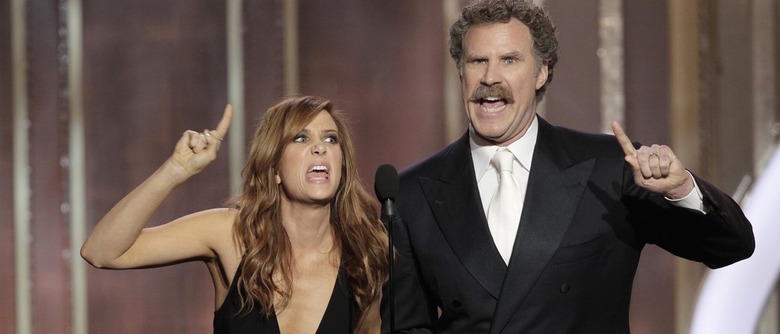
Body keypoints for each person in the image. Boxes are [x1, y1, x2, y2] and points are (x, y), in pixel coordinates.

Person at [381, 0, 755, 333]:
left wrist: (681, 190)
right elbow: (406, 326)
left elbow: (731, 246)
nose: (490, 77)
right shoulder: (413, 193)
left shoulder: (609, 168)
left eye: (509, 60)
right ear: (461, 72)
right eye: (478, 61)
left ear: (542, 71)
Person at [81, 96, 388, 333]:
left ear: (342, 164)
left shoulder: (365, 251)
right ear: (274, 168)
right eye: (301, 138)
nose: (320, 148)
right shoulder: (229, 233)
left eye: (330, 139)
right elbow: (102, 252)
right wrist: (175, 171)